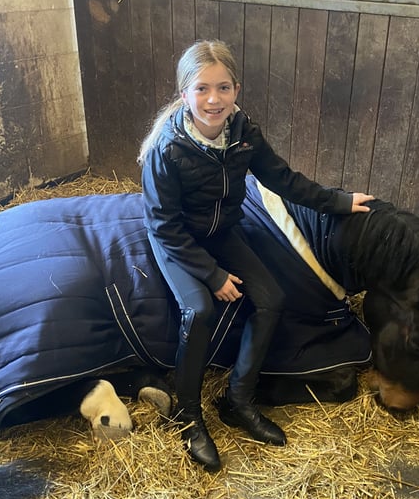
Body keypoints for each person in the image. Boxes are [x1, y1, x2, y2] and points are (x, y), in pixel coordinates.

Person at [138, 39, 375, 472]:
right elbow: (163, 225)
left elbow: (283, 178)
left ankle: (238, 401)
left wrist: (339, 202)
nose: (214, 99)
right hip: (178, 238)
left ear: (237, 89)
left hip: (222, 231)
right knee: (200, 308)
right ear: (184, 93)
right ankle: (188, 415)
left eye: (223, 88)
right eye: (202, 88)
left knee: (273, 299)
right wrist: (212, 276)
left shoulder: (243, 133)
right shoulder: (165, 150)